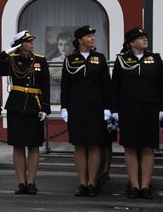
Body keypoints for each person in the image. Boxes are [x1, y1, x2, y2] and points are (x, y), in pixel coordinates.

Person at [0, 30, 50, 195]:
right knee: (18, 145)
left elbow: (45, 85)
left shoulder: (40, 60)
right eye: (28, 41)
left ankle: (31, 182)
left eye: (31, 41)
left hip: (34, 105)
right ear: (20, 44)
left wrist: (45, 107)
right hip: (16, 106)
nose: (31, 43)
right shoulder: (11, 60)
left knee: (33, 145)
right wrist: (6, 52)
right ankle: (21, 182)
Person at [111, 28, 163, 199]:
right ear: (131, 42)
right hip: (128, 108)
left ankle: (145, 186)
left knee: (148, 148)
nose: (144, 40)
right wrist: (114, 111)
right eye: (140, 38)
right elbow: (115, 87)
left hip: (150, 108)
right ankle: (134, 185)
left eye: (145, 37)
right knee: (130, 147)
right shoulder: (122, 60)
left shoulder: (155, 58)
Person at [60, 26, 111, 197]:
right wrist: (64, 107)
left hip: (96, 108)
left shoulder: (100, 59)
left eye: (93, 36)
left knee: (95, 144)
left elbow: (106, 85)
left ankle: (92, 183)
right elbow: (65, 86)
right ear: (80, 39)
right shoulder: (70, 60)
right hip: (76, 108)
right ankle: (82, 182)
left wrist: (107, 108)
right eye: (89, 36)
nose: (92, 38)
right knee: (80, 145)